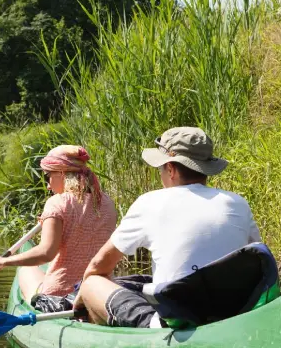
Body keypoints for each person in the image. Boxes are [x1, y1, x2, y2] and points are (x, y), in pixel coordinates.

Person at [74, 127, 261, 328]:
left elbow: (98, 266)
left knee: (92, 282)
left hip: (176, 321)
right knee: (138, 282)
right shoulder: (238, 203)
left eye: (161, 169)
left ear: (171, 169)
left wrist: (83, 297)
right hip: (231, 313)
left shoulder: (150, 203)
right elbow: (257, 257)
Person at [0, 145, 117, 310]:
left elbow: (46, 253)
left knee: (26, 269)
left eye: (47, 176)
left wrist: (4, 261)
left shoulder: (57, 202)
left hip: (60, 296)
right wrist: (51, 222)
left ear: (61, 173)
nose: (47, 185)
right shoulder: (108, 203)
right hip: (100, 294)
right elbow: (83, 231)